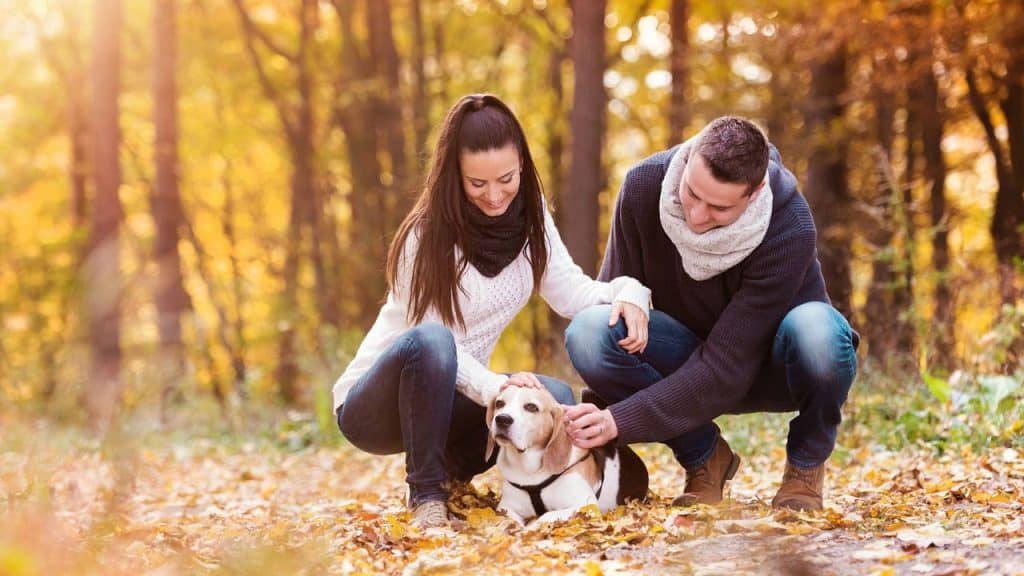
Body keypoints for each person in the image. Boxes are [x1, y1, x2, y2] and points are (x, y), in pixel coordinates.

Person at [333, 94, 652, 529]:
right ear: (453, 175)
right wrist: (496, 384)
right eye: (477, 184)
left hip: (455, 396)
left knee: (552, 397)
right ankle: (426, 494)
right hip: (377, 404)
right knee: (434, 342)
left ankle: (465, 479)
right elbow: (431, 340)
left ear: (521, 162)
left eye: (506, 178)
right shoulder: (424, 237)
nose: (495, 195)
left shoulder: (531, 218)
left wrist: (630, 290)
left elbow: (571, 294)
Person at [562, 116, 858, 511]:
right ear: (686, 164)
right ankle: (705, 457)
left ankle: (804, 469)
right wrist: (601, 421)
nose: (697, 217)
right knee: (590, 331)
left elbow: (727, 364)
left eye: (718, 207)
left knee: (820, 333)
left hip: (774, 363)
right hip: (684, 355)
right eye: (691, 194)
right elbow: (611, 299)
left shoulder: (790, 226)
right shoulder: (643, 187)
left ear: (754, 194)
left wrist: (620, 420)